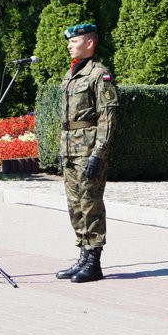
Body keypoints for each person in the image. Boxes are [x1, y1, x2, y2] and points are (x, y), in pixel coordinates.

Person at [56, 23, 118, 283]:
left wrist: (98, 153)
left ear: (89, 43)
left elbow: (108, 117)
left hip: (89, 150)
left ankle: (94, 262)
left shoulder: (99, 74)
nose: (69, 45)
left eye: (74, 41)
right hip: (70, 150)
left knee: (90, 204)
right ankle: (83, 255)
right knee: (75, 205)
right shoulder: (71, 74)